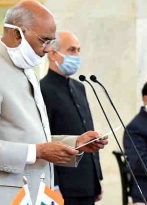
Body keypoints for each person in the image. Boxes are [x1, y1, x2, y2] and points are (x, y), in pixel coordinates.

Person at [0, 1, 107, 204]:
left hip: (32, 194)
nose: (47, 49)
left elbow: (29, 136)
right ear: (18, 34)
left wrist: (75, 143)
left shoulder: (26, 72)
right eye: (44, 41)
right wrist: (39, 151)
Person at [40, 31, 103, 205]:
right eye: (72, 50)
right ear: (52, 54)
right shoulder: (42, 89)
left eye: (78, 50)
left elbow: (86, 129)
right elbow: (44, 139)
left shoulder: (79, 86)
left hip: (87, 182)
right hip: (64, 185)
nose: (76, 55)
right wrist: (54, 185)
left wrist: (96, 180)